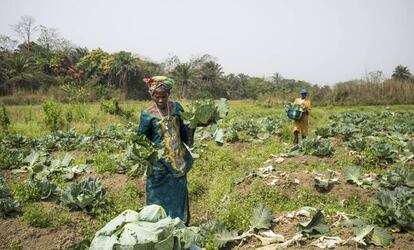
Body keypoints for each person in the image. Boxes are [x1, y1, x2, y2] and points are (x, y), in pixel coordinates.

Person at [137, 76, 195, 225]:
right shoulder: (147, 114)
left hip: (177, 162)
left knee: (178, 195)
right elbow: (141, 139)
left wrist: (195, 124)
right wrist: (143, 154)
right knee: (157, 198)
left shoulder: (176, 108)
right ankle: (157, 227)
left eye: (164, 96)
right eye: (157, 97)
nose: (161, 100)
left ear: (169, 94)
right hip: (157, 167)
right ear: (152, 96)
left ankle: (179, 226)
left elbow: (184, 130)